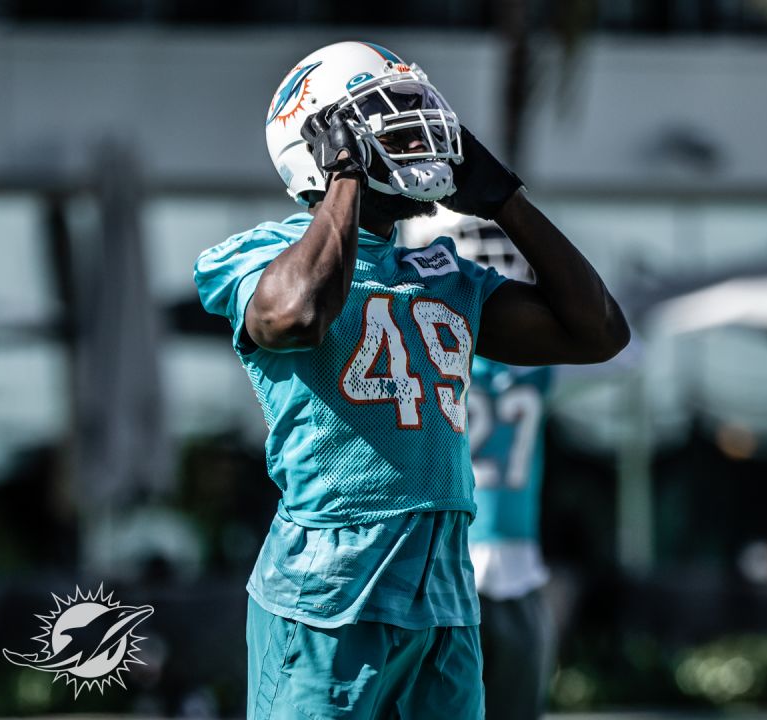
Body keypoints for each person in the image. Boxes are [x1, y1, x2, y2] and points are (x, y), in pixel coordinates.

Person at [193, 41, 628, 720]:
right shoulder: (256, 255)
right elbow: (298, 313)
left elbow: (597, 332)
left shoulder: (447, 274)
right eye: (384, 121)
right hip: (331, 595)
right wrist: (347, 178)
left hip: (445, 597)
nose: (411, 134)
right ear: (322, 143)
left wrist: (506, 201)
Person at [406, 210, 557, 720]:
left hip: (441, 560)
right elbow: (620, 347)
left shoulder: (423, 346)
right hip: (504, 560)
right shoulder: (533, 358)